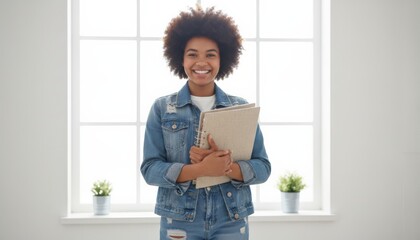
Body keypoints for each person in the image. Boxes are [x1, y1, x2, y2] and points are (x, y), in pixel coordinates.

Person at [141, 6, 271, 240]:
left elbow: (263, 167)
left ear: (223, 59)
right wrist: (200, 170)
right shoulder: (162, 108)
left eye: (210, 54)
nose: (201, 62)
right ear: (180, 58)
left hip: (231, 220)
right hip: (179, 220)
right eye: (192, 54)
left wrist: (226, 167)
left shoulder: (240, 108)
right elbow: (150, 170)